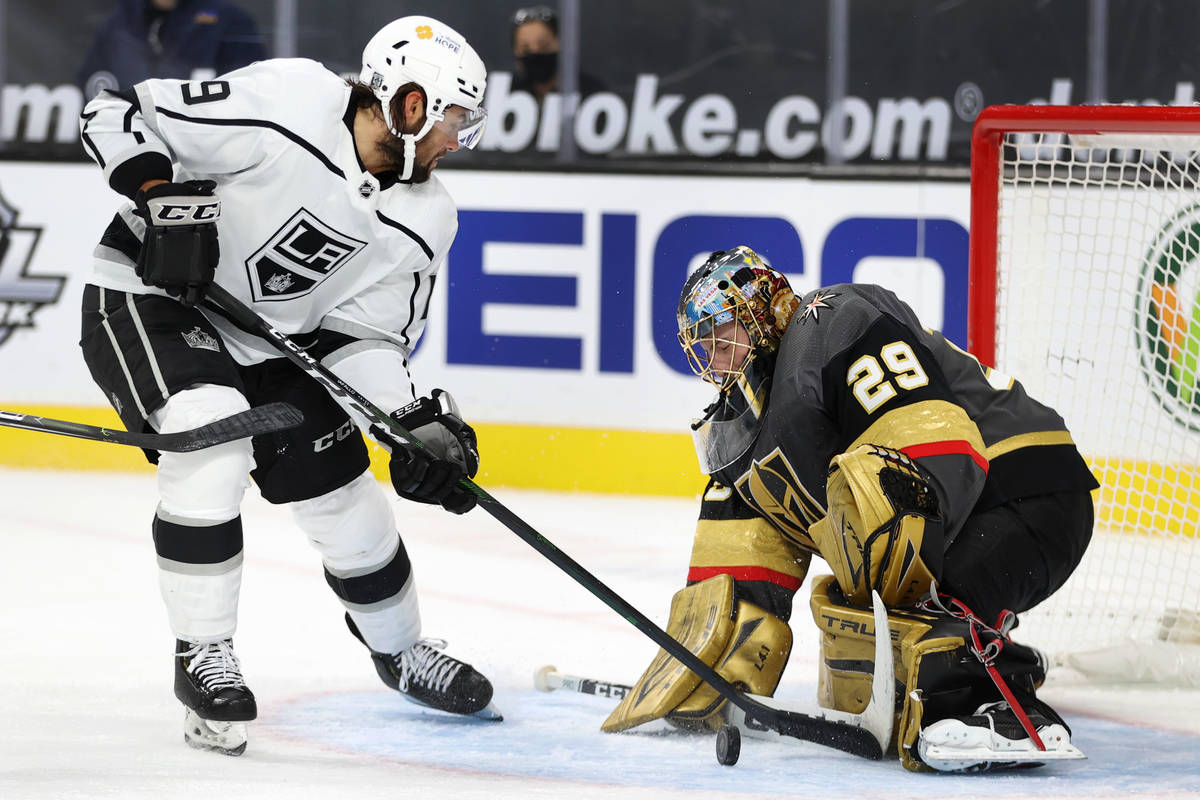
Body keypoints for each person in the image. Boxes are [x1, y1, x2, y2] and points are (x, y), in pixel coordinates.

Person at [76, 15, 494, 756]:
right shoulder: (293, 99)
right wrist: (157, 197)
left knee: (349, 503)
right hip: (151, 299)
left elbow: (359, 337)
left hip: (271, 341)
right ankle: (203, 659)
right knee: (214, 437)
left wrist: (407, 424)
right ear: (408, 105)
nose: (457, 140)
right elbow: (119, 111)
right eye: (452, 120)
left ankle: (401, 653)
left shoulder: (429, 217)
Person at [603, 246, 1099, 772]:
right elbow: (743, 554)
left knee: (911, 603)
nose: (717, 358)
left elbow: (939, 451)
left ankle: (998, 703)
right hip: (966, 512)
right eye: (703, 345)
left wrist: (911, 594)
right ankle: (974, 644)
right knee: (859, 623)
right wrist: (715, 655)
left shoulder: (834, 323)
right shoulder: (742, 422)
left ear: (765, 311)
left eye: (725, 335)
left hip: (1031, 491)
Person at [77, 0, 267, 101]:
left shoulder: (229, 20)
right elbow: (93, 82)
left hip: (205, 144)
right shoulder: (119, 22)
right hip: (136, 143)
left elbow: (250, 87)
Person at [510, 5, 605, 104]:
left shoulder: (589, 93)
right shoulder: (508, 94)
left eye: (544, 45)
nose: (535, 52)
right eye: (525, 49)